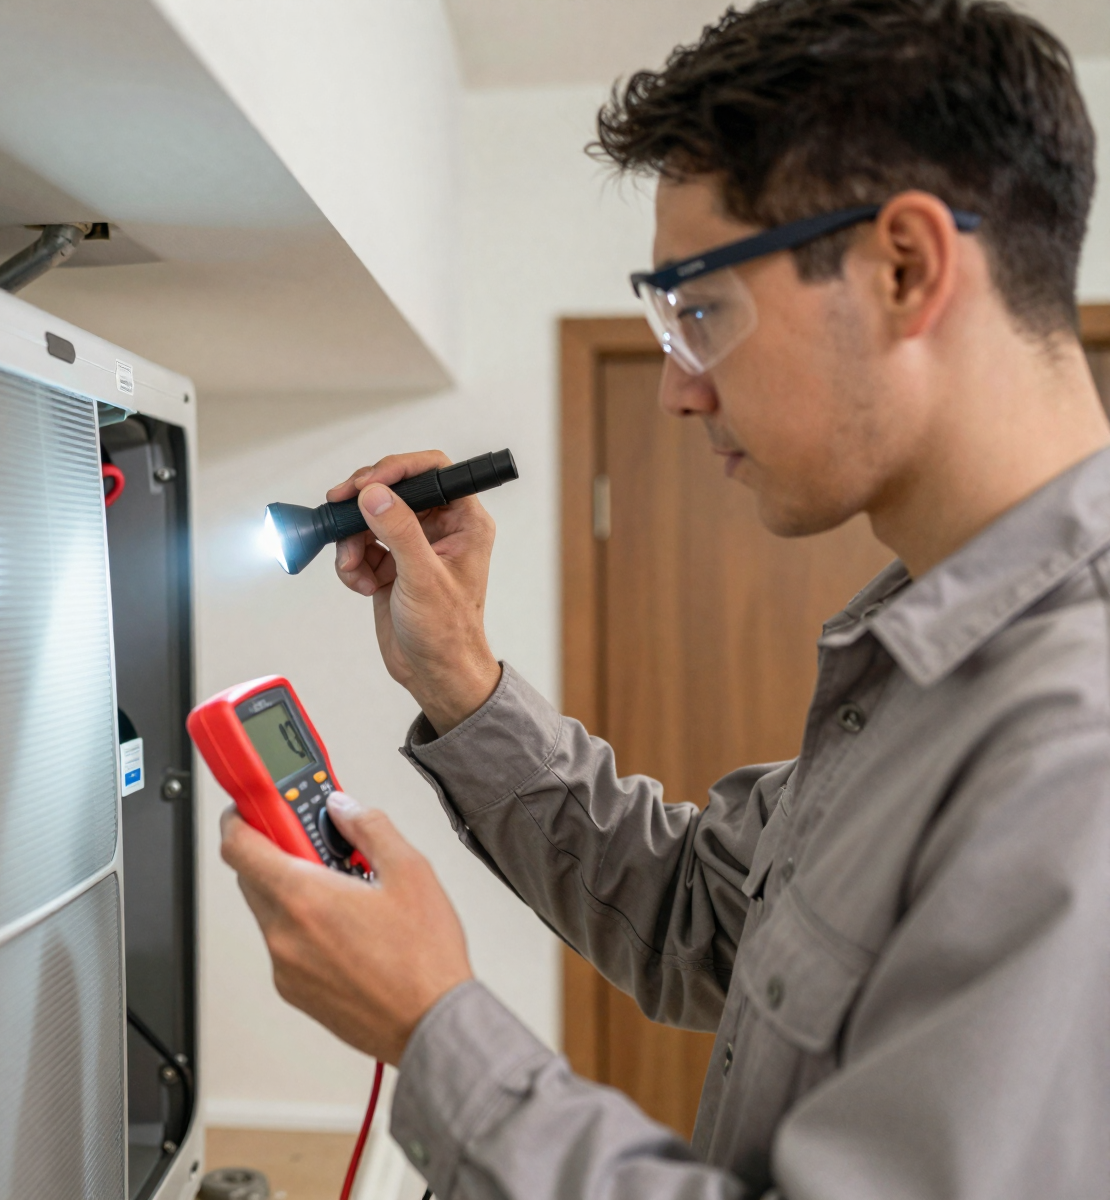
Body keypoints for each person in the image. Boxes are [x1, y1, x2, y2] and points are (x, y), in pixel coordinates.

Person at [218, 0, 1110, 1196]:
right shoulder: (932, 655)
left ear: (905, 267)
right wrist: (461, 679)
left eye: (700, 311)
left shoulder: (1075, 741)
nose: (678, 390)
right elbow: (703, 916)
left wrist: (434, 1028)